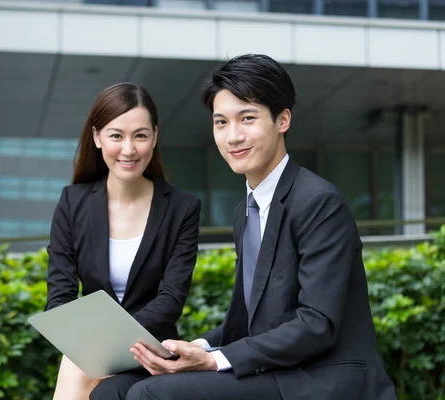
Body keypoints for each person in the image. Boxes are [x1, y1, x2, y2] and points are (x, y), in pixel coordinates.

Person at [90, 55, 398, 400]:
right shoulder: (245, 211)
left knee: (151, 394)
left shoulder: (318, 202)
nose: (232, 136)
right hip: (273, 371)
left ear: (282, 119)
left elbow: (317, 324)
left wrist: (212, 360)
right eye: (221, 122)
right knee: (112, 391)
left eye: (247, 118)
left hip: (318, 378)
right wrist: (192, 348)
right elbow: (243, 322)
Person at [45, 82, 201, 400]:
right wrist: (93, 346)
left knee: (80, 372)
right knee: (80, 367)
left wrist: (112, 342)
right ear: (97, 137)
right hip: (87, 350)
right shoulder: (72, 203)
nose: (128, 149)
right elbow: (59, 298)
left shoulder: (182, 208)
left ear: (155, 137)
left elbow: (170, 300)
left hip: (150, 353)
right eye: (116, 135)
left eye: (140, 135)